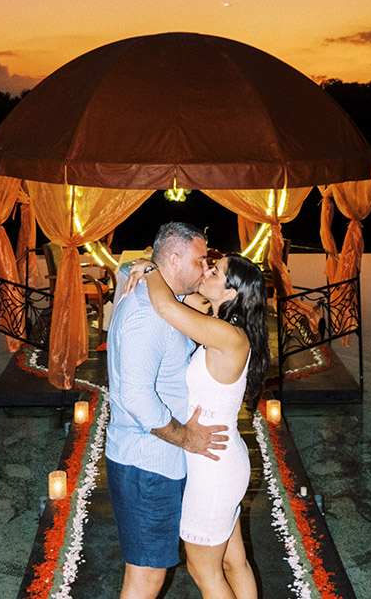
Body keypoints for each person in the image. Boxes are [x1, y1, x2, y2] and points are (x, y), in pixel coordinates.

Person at [126, 250, 270, 599]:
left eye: (216, 272)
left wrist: (149, 267)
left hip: (212, 470)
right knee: (234, 564)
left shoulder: (228, 336)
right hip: (221, 460)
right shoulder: (225, 329)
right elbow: (184, 305)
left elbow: (166, 309)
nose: (206, 271)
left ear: (232, 293)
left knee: (204, 571)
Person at [105, 222, 229, 599]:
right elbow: (137, 398)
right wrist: (186, 437)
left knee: (147, 573)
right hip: (146, 466)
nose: (204, 267)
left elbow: (126, 270)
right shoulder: (147, 313)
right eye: (199, 259)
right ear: (173, 259)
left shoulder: (161, 299)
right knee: (147, 577)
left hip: (157, 463)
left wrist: (141, 265)